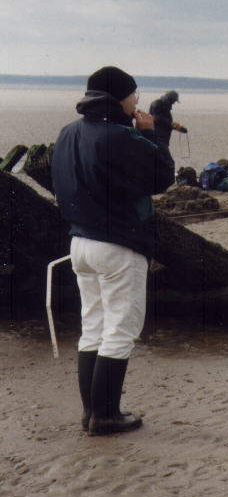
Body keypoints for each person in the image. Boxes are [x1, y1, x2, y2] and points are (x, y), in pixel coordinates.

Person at [51, 66, 175, 435]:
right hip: (119, 243)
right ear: (120, 97)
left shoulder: (67, 132)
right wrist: (153, 135)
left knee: (93, 326)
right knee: (121, 329)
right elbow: (162, 178)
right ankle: (106, 415)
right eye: (134, 95)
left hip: (80, 243)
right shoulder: (120, 137)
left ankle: (91, 413)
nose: (137, 101)